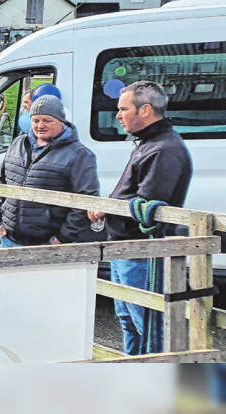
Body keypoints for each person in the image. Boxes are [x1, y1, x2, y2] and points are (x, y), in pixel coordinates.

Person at [89, 81, 193, 356]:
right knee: (129, 322)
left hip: (142, 252)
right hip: (126, 248)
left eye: (123, 109)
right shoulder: (149, 144)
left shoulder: (163, 149)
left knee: (147, 324)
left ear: (145, 110)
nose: (118, 115)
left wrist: (108, 208)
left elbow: (146, 206)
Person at [0, 95, 99, 248]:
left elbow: (85, 201)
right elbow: (0, 183)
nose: (40, 125)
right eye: (36, 120)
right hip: (9, 239)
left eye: (47, 120)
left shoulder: (80, 155)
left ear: (61, 121)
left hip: (48, 244)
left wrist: (62, 237)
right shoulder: (17, 144)